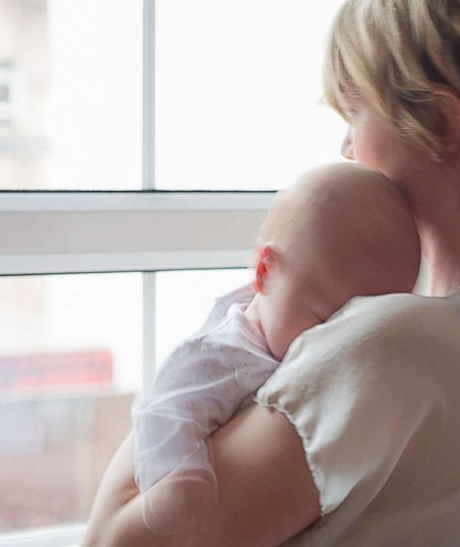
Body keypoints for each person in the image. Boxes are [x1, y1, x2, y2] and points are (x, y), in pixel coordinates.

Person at [85, 0, 460, 546]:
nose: (346, 149)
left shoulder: (392, 346)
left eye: (355, 114)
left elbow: (114, 539)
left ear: (439, 122)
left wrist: (215, 347)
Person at [130, 163, 421, 536]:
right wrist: (180, 479)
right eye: (321, 319)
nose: (335, 344)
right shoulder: (219, 353)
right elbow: (164, 409)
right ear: (265, 271)